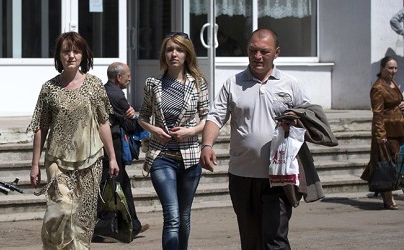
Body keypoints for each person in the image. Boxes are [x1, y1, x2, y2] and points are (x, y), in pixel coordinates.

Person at [200, 28, 310, 249]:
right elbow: (215, 116)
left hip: (279, 175)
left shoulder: (290, 84)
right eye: (253, 51)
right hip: (242, 175)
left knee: (275, 239)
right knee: (250, 239)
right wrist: (207, 145)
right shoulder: (233, 83)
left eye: (264, 51)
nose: (257, 56)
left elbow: (309, 119)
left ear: (276, 53)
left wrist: (297, 123)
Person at [28, 31, 120, 249]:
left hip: (90, 161)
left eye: (76, 51)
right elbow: (41, 126)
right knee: (62, 208)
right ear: (58, 56)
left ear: (83, 55)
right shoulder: (49, 89)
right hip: (57, 160)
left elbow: (103, 122)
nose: (71, 55)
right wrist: (34, 165)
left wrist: (113, 157)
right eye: (66, 51)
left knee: (82, 221)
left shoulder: (94, 85)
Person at [137, 32, 209, 250]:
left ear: (187, 54)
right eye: (169, 50)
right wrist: (154, 129)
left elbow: (208, 118)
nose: (174, 54)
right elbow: (142, 117)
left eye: (179, 50)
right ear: (164, 54)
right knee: (173, 216)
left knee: (184, 216)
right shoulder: (153, 84)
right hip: (161, 157)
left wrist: (190, 131)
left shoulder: (198, 83)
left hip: (189, 158)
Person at [92, 62, 149, 243]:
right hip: (113, 146)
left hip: (103, 145)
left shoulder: (103, 90)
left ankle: (132, 223)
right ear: (118, 77)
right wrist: (133, 115)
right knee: (113, 185)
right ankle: (104, 227)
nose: (130, 78)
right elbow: (130, 126)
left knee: (121, 184)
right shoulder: (117, 96)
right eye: (128, 75)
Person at [362, 56, 404, 210]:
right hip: (387, 132)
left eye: (395, 68)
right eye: (390, 68)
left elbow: (394, 103)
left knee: (396, 163)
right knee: (386, 163)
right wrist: (380, 135)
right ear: (382, 68)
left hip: (399, 129)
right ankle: (388, 198)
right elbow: (378, 113)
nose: (393, 71)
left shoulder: (392, 83)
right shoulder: (378, 87)